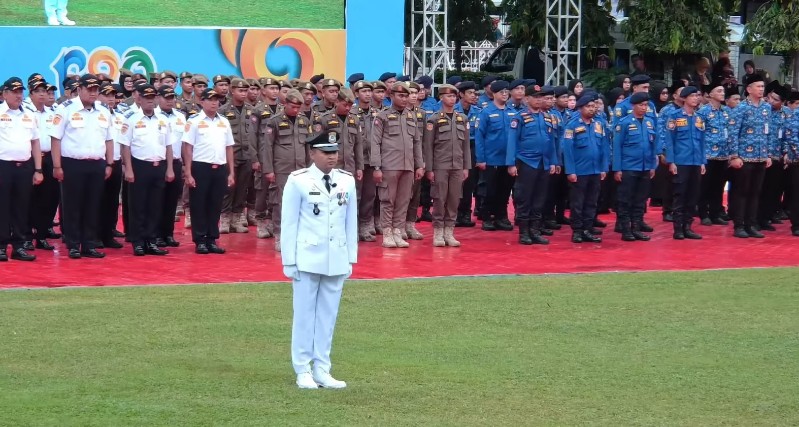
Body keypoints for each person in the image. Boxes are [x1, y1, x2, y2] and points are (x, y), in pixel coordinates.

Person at [282, 131, 357, 390]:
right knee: (304, 315)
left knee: (328, 316)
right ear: (312, 153)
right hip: (307, 257)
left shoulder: (346, 181)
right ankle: (302, 369)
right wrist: (289, 261)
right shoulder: (298, 180)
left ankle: (322, 368)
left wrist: (351, 258)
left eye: (334, 152)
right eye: (326, 152)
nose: (331, 157)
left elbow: (351, 221)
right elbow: (289, 223)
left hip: (335, 257)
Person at [51, 74, 114, 259]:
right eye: (90, 89)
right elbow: (56, 139)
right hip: (72, 164)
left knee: (93, 205)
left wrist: (109, 163)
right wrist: (57, 166)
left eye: (96, 90)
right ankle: (73, 244)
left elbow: (109, 140)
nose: (94, 93)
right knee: (72, 205)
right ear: (79, 90)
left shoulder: (103, 110)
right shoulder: (66, 109)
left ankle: (89, 244)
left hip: (96, 164)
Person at [119, 84, 175, 256]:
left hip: (158, 166)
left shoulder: (163, 120)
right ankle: (138, 241)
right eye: (147, 98)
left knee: (155, 206)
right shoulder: (131, 118)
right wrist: (128, 168)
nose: (150, 101)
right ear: (139, 99)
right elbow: (125, 146)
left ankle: (151, 241)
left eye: (153, 97)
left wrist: (170, 169)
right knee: (138, 206)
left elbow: (169, 146)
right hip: (139, 166)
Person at [370, 82, 424, 248]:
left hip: (408, 165)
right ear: (391, 96)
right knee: (387, 200)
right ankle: (387, 232)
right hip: (389, 165)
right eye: (400, 95)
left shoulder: (411, 115)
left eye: (406, 96)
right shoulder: (382, 116)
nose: (404, 99)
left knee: (403, 201)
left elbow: (416, 142)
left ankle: (398, 231)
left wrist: (419, 164)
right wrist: (377, 167)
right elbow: (375, 143)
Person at [182, 88, 235, 254]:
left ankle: (212, 239)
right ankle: (200, 240)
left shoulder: (224, 121)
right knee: (199, 204)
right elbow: (188, 147)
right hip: (200, 166)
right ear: (202, 101)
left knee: (215, 204)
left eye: (217, 99)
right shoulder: (194, 121)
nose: (214, 102)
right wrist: (188, 172)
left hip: (219, 167)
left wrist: (231, 172)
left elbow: (229, 148)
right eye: (210, 99)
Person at [261, 89, 313, 252]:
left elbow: (308, 147)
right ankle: (280, 235)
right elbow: (267, 147)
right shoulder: (274, 121)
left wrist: (311, 168)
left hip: (301, 169)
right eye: (293, 107)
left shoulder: (304, 121)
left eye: (299, 107)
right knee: (281, 203)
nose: (296, 110)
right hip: (282, 168)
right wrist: (269, 170)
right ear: (285, 104)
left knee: (301, 203)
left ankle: (298, 235)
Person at [507, 86, 558, 245]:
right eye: (535, 97)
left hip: (544, 162)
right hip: (527, 161)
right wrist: (511, 163)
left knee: (540, 197)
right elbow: (512, 141)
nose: (539, 99)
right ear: (526, 99)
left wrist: (554, 161)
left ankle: (535, 230)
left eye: (541, 97)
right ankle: (524, 232)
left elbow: (552, 142)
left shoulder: (548, 117)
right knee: (525, 196)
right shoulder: (519, 117)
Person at [0, 77, 44, 262]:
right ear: (5, 94)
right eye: (15, 92)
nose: (19, 95)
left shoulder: (29, 114)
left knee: (21, 207)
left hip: (24, 166)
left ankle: (19, 246)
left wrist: (38, 169)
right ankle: (1, 246)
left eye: (21, 92)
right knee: (2, 207)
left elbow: (35, 142)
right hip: (3, 165)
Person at [423, 84, 470, 247]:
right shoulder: (434, 119)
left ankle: (449, 231)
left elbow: (466, 146)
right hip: (440, 165)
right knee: (439, 198)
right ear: (441, 98)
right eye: (449, 96)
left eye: (454, 96)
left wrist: (466, 167)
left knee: (454, 199)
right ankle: (438, 232)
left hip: (457, 165)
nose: (452, 99)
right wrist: (429, 168)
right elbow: (428, 146)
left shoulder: (462, 119)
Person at [729, 74, 771, 238]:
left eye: (762, 86)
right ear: (748, 89)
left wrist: (767, 154)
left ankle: (751, 224)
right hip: (744, 157)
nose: (761, 89)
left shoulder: (766, 107)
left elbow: (768, 132)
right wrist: (734, 156)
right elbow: (733, 133)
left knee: (755, 192)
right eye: (758, 86)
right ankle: (739, 225)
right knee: (742, 192)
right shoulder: (741, 108)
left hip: (761, 156)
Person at [562, 93, 608, 243]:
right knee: (577, 203)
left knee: (591, 202)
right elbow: (567, 151)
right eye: (588, 107)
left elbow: (604, 148)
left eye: (594, 106)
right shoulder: (572, 125)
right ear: (580, 108)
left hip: (595, 170)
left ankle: (588, 229)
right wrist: (570, 171)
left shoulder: (598, 124)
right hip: (579, 171)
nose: (592, 109)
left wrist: (603, 168)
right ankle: (577, 230)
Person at [612, 92, 658, 241]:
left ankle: (636, 228)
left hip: (644, 167)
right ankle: (625, 229)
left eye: (646, 105)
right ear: (633, 106)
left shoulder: (649, 122)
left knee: (640, 200)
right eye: (641, 105)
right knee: (626, 199)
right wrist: (617, 168)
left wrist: (652, 166)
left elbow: (652, 146)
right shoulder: (624, 123)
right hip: (629, 167)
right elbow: (617, 147)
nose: (644, 108)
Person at [664, 86, 706, 240]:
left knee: (692, 195)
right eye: (693, 96)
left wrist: (702, 162)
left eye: (697, 95)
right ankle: (678, 228)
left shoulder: (699, 118)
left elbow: (702, 142)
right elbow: (670, 141)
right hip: (681, 161)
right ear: (684, 98)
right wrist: (671, 161)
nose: (696, 98)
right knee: (680, 195)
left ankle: (688, 226)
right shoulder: (674, 116)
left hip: (695, 162)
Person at [475, 80, 516, 231]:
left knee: (505, 189)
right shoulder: (486, 112)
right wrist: (481, 159)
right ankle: (486, 216)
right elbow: (480, 137)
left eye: (506, 92)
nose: (505, 95)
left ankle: (501, 216)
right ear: (494, 94)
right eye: (501, 92)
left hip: (508, 159)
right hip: (491, 158)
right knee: (490, 189)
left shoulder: (512, 111)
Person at [218, 78, 258, 234]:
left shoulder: (252, 110)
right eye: (240, 90)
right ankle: (225, 219)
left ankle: (236, 219)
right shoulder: (223, 111)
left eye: (245, 90)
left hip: (247, 154)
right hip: (230, 155)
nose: (243, 93)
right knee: (228, 188)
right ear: (232, 91)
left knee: (242, 188)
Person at [26, 75, 61, 251]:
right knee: (28, 198)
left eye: (44, 91)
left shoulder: (52, 112)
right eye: (37, 91)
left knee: (47, 198)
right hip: (29, 159)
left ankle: (40, 235)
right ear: (30, 93)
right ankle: (25, 236)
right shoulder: (24, 111)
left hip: (48, 158)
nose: (42, 94)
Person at [697, 84, 733, 226]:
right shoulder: (703, 112)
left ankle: (715, 212)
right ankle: (703, 213)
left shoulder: (726, 111)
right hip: (708, 155)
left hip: (723, 155)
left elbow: (730, 132)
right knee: (705, 185)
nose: (722, 93)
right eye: (719, 91)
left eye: (723, 91)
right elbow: (698, 135)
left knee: (719, 186)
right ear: (710, 94)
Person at [154, 86, 186, 247]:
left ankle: (168, 234)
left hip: (176, 162)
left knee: (172, 201)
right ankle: (156, 234)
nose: (170, 100)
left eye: (172, 97)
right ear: (158, 98)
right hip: (158, 163)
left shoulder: (181, 117)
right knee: (157, 201)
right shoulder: (153, 116)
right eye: (166, 97)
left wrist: (186, 165)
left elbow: (185, 144)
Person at [454, 81, 481, 227]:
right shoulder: (453, 110)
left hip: (472, 148)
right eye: (470, 93)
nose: (473, 96)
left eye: (475, 93)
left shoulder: (477, 111)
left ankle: (465, 213)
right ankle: (455, 213)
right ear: (461, 94)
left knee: (470, 182)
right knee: (457, 182)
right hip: (456, 148)